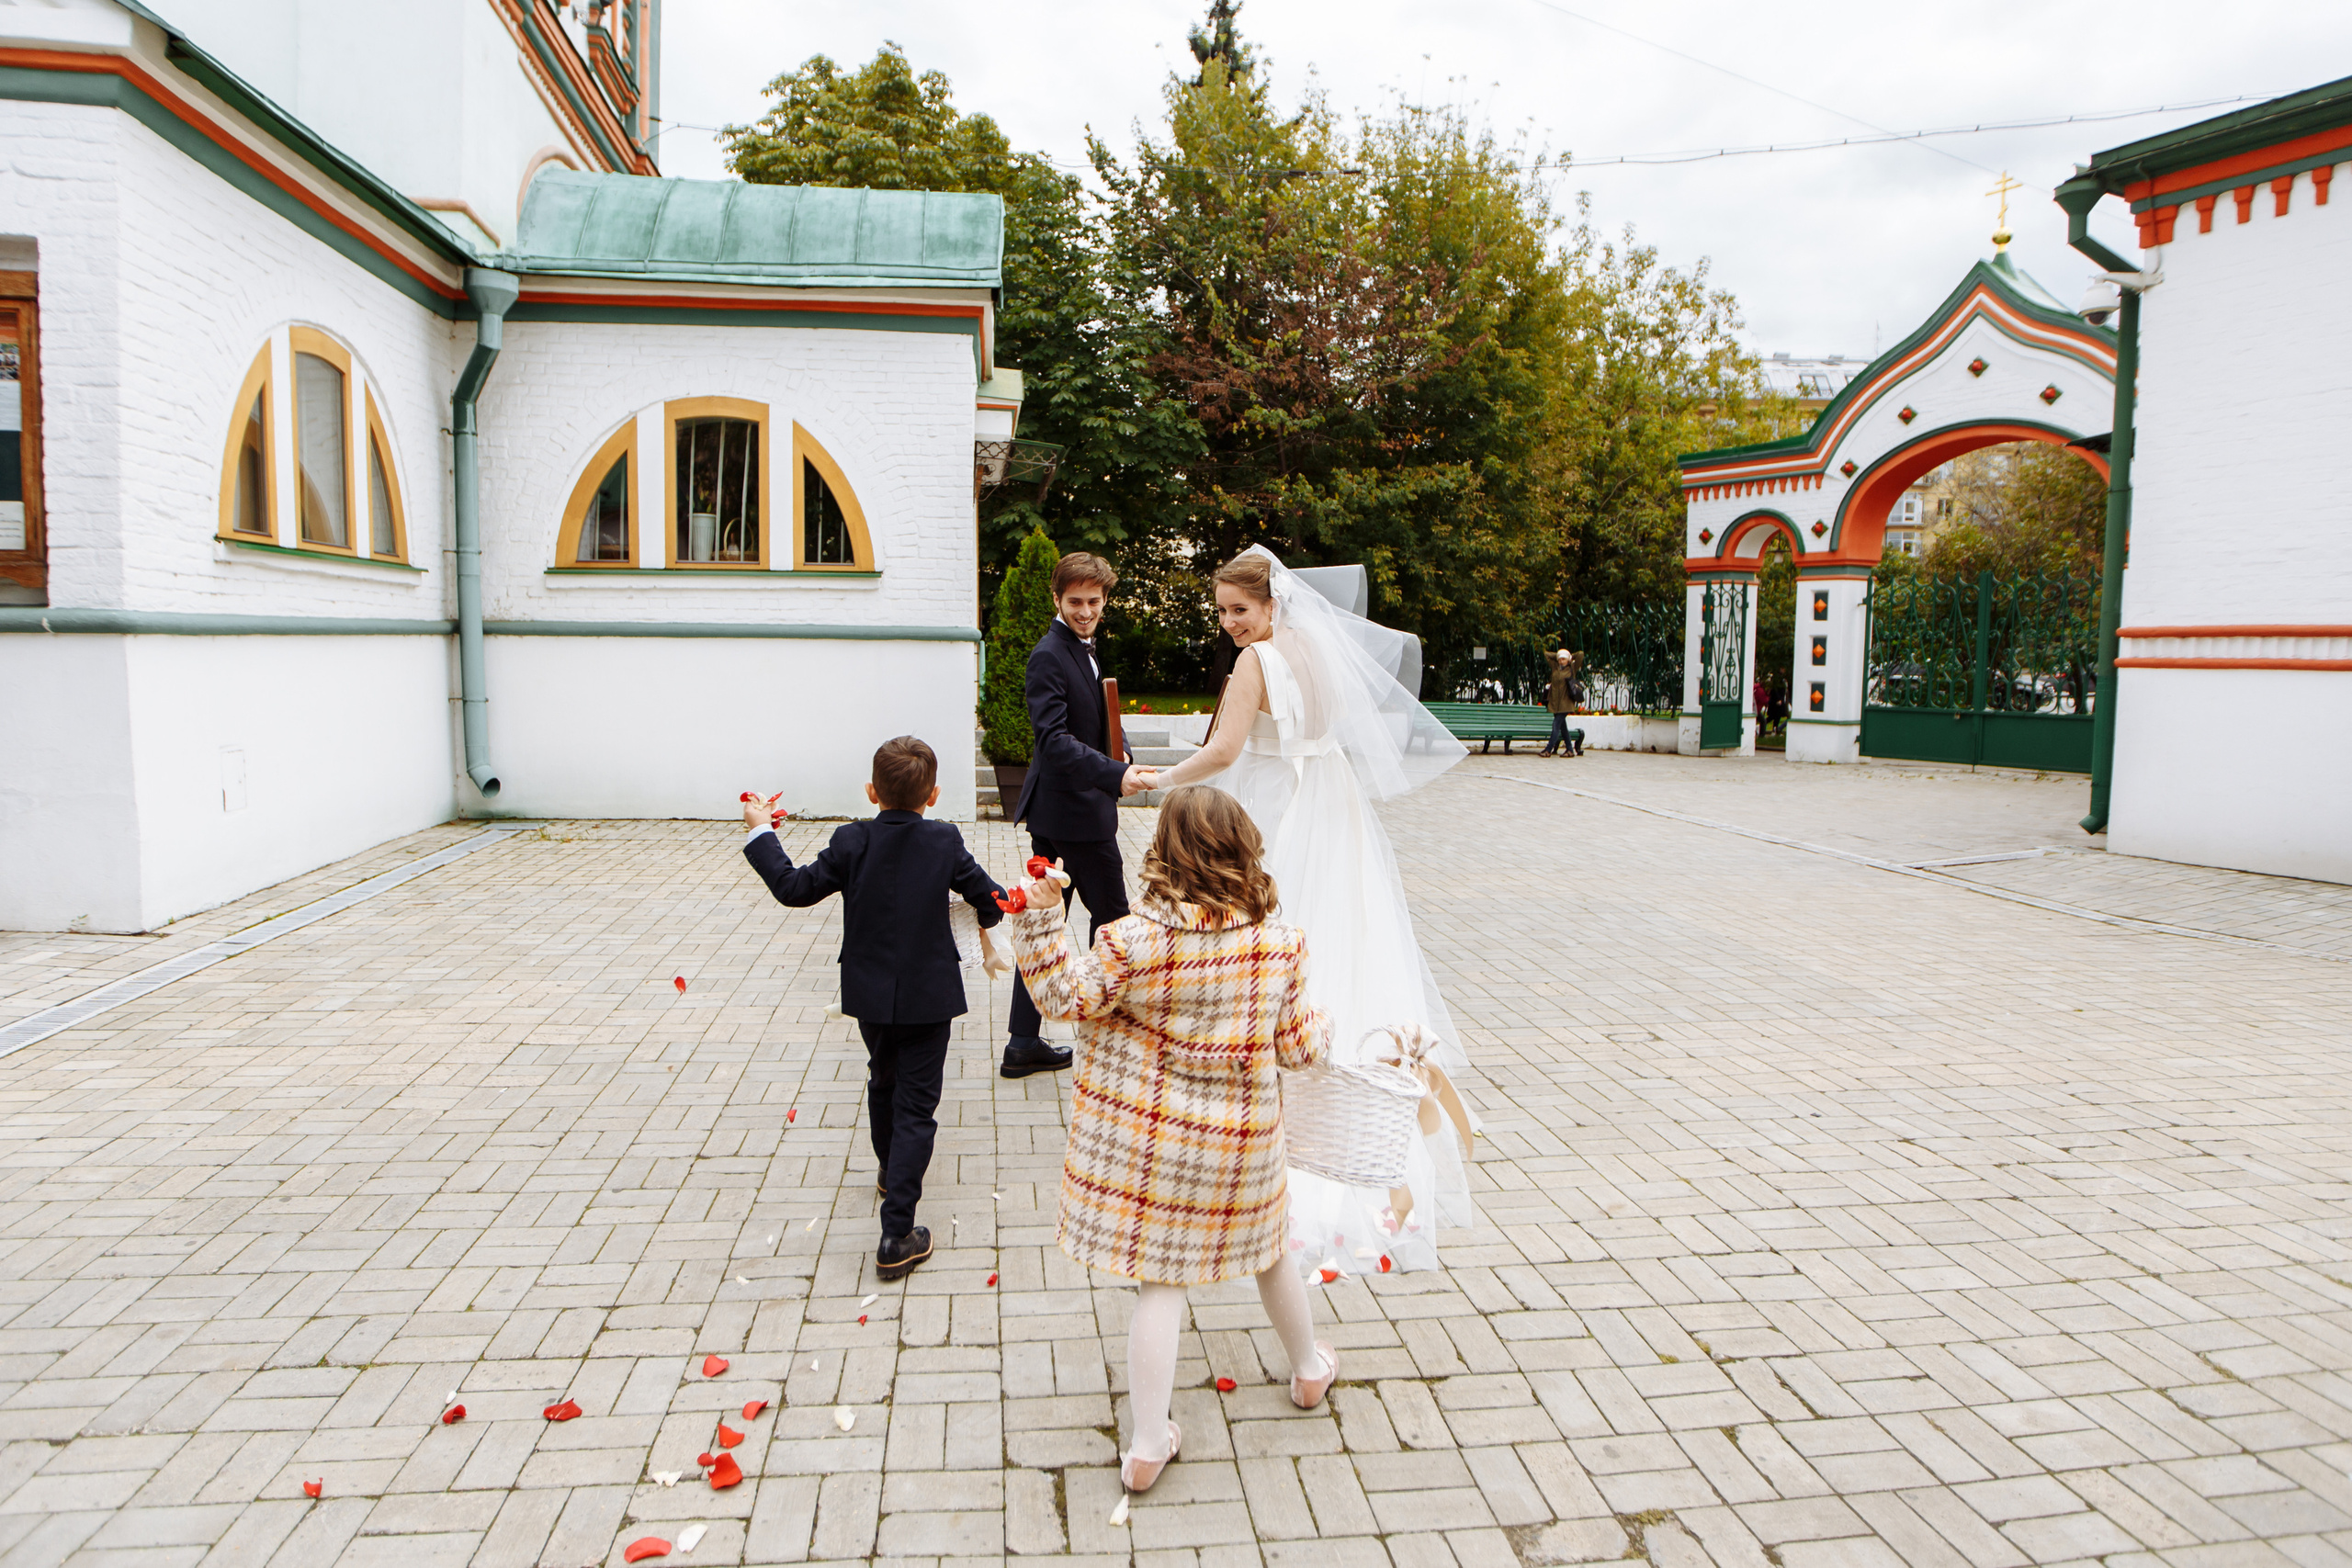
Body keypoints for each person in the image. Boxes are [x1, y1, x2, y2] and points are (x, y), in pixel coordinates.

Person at [1001, 785, 1338, 1495]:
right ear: (1246, 851)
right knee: (1271, 1252)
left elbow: (1065, 999)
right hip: (1241, 1150)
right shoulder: (1280, 946)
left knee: (1162, 1284)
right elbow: (1300, 1047)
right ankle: (1308, 1369)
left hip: (1156, 1155)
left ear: (1163, 855)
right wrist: (1325, 1025)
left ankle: (1148, 1442)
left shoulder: (1130, 942)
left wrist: (1040, 923)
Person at [1147, 547, 1476, 1273]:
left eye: (1241, 609)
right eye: (1224, 610)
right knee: (1342, 942)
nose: (1231, 623)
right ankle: (1365, 1122)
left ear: (1272, 604)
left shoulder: (1257, 662)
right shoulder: (1322, 652)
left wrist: (1158, 778)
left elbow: (1224, 748)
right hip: (1335, 807)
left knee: (1272, 960)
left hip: (1275, 810)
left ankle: (1279, 1140)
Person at [742, 737, 1006, 1281]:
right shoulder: (944, 840)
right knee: (917, 1105)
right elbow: (990, 897)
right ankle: (896, 1233)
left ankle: (890, 1169)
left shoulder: (850, 841)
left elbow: (793, 889)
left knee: (883, 1079)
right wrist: (983, 913)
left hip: (869, 994)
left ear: (871, 792)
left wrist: (761, 830)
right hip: (929, 996)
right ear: (933, 796)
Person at [1003, 552, 1154, 1079]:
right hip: (1072, 818)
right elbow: (1054, 741)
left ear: (1105, 600)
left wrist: (1124, 751)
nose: (1086, 611)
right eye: (1075, 602)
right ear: (1056, 599)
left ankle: (1024, 1042)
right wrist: (1113, 776)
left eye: (1094, 602)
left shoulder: (1082, 647)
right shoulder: (1049, 654)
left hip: (1071, 814)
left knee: (1044, 922)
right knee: (1113, 922)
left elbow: (1097, 716)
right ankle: (1110, 1033)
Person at [1541, 648, 1585, 757]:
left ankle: (1548, 750)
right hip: (1555, 703)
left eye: (1564, 659)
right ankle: (1570, 750)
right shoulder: (1555, 668)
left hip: (1566, 703)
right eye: (1560, 659)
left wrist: (1570, 656)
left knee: (1556, 725)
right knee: (1563, 727)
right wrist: (1558, 655)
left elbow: (1580, 654)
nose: (1561, 661)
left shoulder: (1572, 668)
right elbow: (1546, 654)